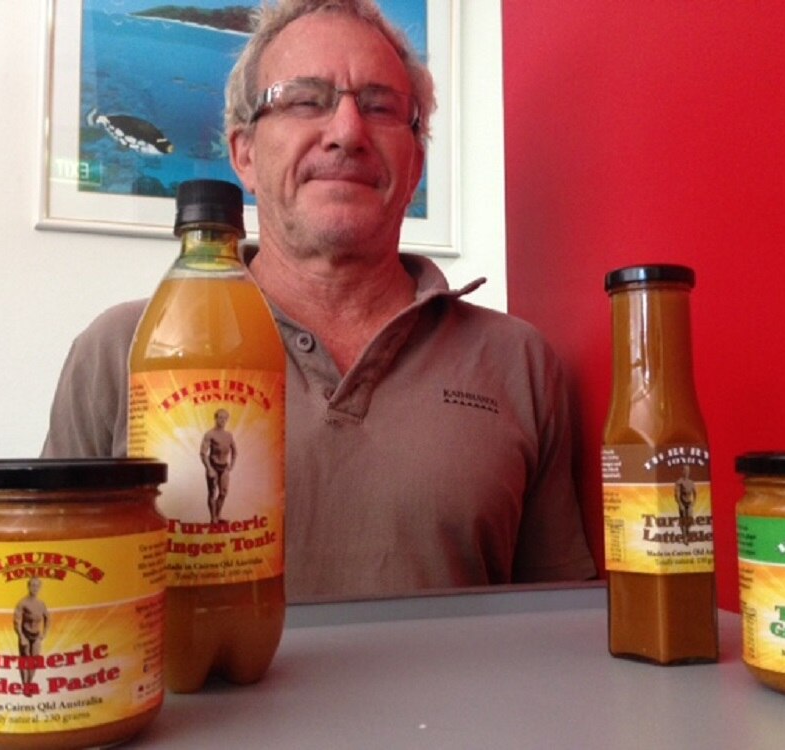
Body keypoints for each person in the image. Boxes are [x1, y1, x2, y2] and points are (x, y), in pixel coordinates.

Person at [41, 0, 596, 600]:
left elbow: (555, 623)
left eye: (380, 106)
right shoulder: (121, 351)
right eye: (305, 100)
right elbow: (60, 603)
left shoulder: (518, 362)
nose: (348, 132)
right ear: (245, 154)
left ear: (416, 163)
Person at [201, 409, 237, 524]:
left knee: (223, 493)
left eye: (225, 418)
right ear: (215, 418)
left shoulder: (229, 435)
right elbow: (203, 453)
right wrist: (209, 469)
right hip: (213, 466)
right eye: (220, 417)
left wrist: (232, 465)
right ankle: (213, 518)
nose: (222, 420)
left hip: (224, 467)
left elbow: (235, 451)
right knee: (212, 493)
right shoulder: (210, 434)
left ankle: (218, 515)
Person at [13, 577, 49, 686]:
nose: (35, 588)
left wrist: (44, 633)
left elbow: (47, 618)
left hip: (36, 635)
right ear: (28, 586)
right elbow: (16, 621)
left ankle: (29, 683)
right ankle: (25, 684)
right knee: (24, 660)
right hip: (25, 634)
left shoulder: (41, 604)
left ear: (40, 587)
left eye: (37, 586)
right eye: (33, 585)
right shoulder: (23, 603)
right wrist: (21, 636)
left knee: (34, 660)